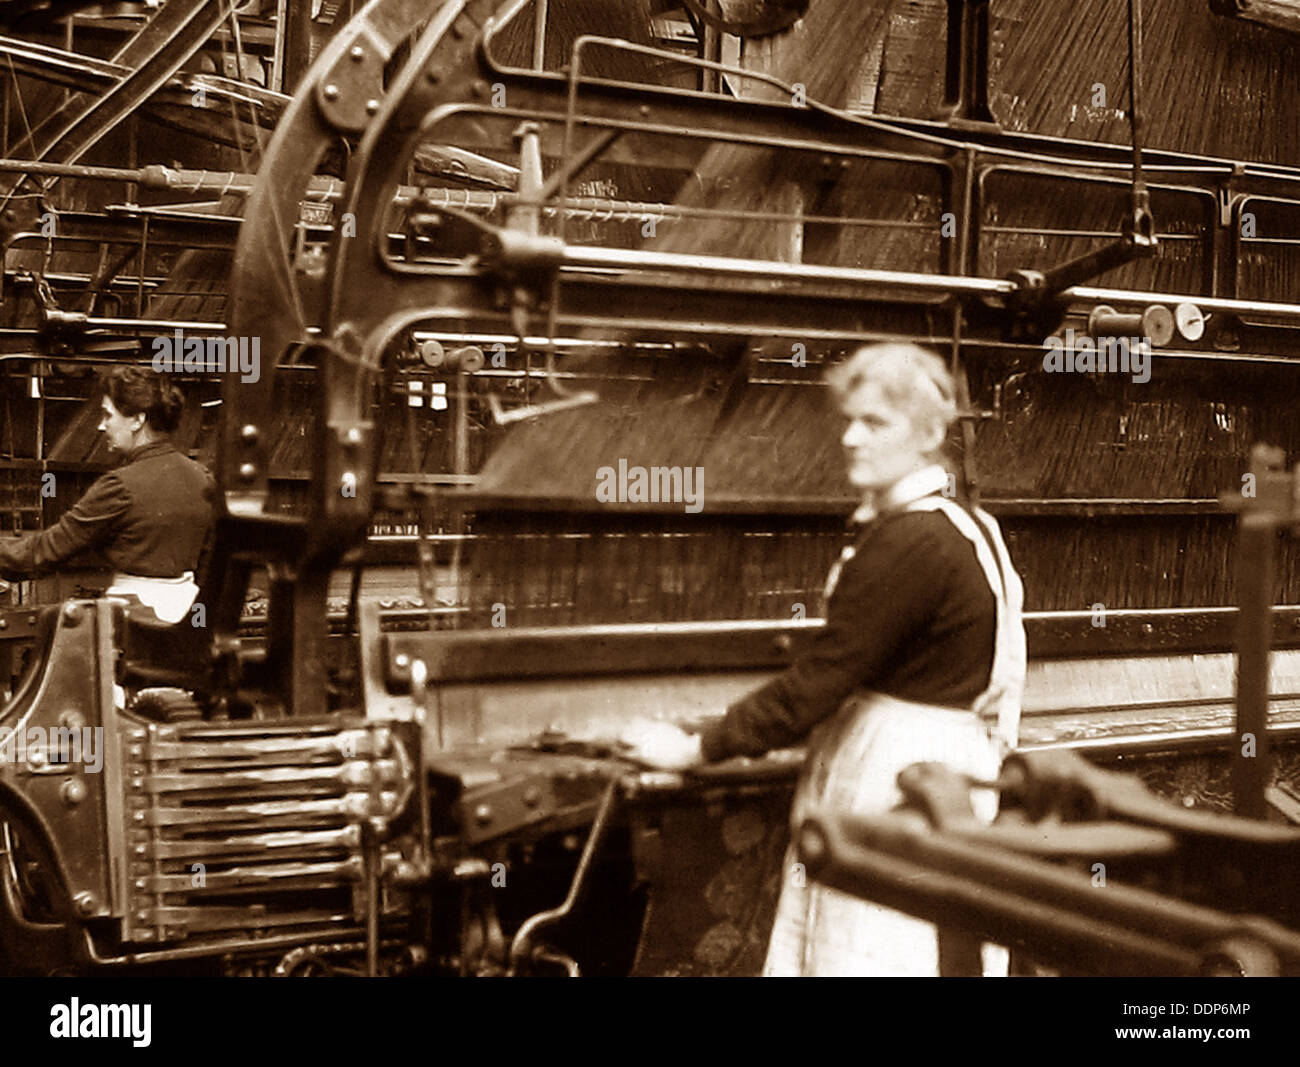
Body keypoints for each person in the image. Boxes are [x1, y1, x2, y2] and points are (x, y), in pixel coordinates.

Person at [620, 342, 1026, 976]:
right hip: (944, 773)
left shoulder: (909, 545)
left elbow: (814, 687)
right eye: (849, 420)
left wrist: (696, 749)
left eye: (876, 423)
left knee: (871, 953)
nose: (852, 438)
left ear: (926, 436)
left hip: (894, 780)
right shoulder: (966, 526)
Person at [0, 367, 215, 623]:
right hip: (189, 616)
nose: (101, 426)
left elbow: (47, 550)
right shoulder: (204, 478)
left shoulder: (121, 485)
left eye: (107, 415)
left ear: (137, 420)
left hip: (133, 617)